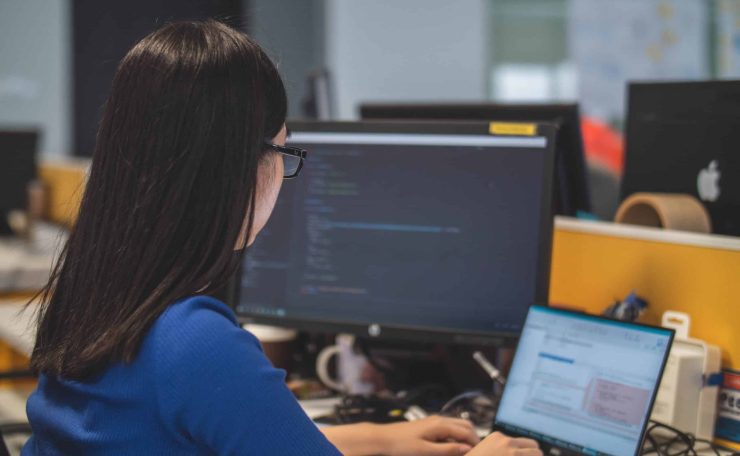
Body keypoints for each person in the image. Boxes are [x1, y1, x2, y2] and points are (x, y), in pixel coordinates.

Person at [22, 20, 542, 456]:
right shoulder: (197, 344)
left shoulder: (93, 296)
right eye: (282, 151)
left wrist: (378, 440)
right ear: (235, 167)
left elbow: (247, 432)